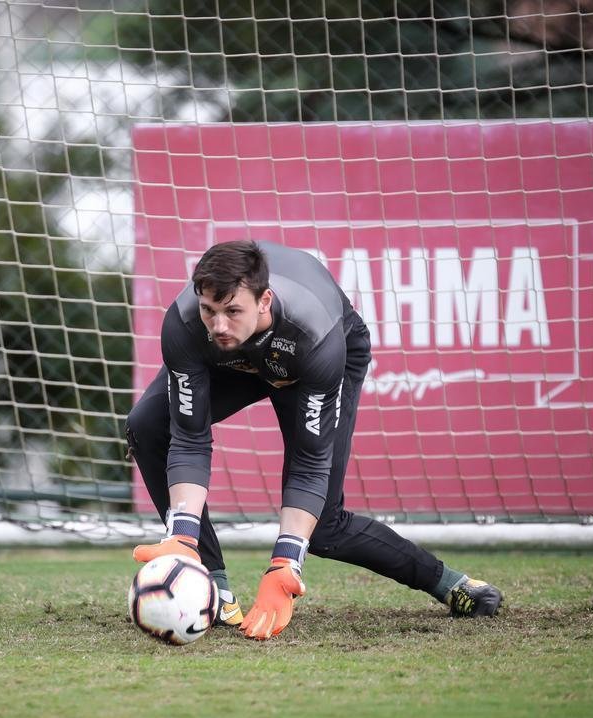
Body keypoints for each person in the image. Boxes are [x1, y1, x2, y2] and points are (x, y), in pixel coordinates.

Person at [128, 240, 503, 639]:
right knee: (149, 425)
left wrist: (286, 563)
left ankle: (450, 584)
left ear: (264, 300)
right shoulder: (187, 325)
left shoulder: (314, 335)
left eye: (232, 311)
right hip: (233, 361)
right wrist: (182, 535)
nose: (219, 324)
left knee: (322, 525)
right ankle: (212, 584)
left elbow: (310, 464)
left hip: (306, 362)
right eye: (209, 310)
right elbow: (188, 438)